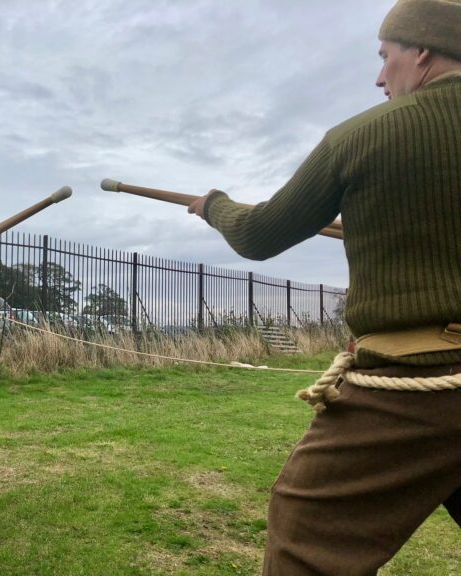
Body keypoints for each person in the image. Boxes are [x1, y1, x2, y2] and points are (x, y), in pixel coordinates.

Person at [188, 1, 461, 574]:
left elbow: (259, 234)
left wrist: (214, 206)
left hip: (422, 385)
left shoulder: (363, 136)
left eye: (386, 58)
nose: (380, 76)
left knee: (306, 533)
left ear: (424, 53)